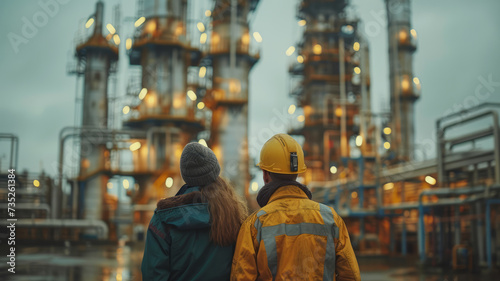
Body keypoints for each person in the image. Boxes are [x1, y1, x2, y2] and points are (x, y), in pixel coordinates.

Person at [231, 134, 361, 281]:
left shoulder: (254, 226)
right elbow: (351, 276)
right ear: (298, 172)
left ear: (265, 174)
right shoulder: (331, 219)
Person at [142, 142, 248, 281]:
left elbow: (153, 274)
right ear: (214, 172)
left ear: (186, 175)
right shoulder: (234, 214)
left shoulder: (163, 218)